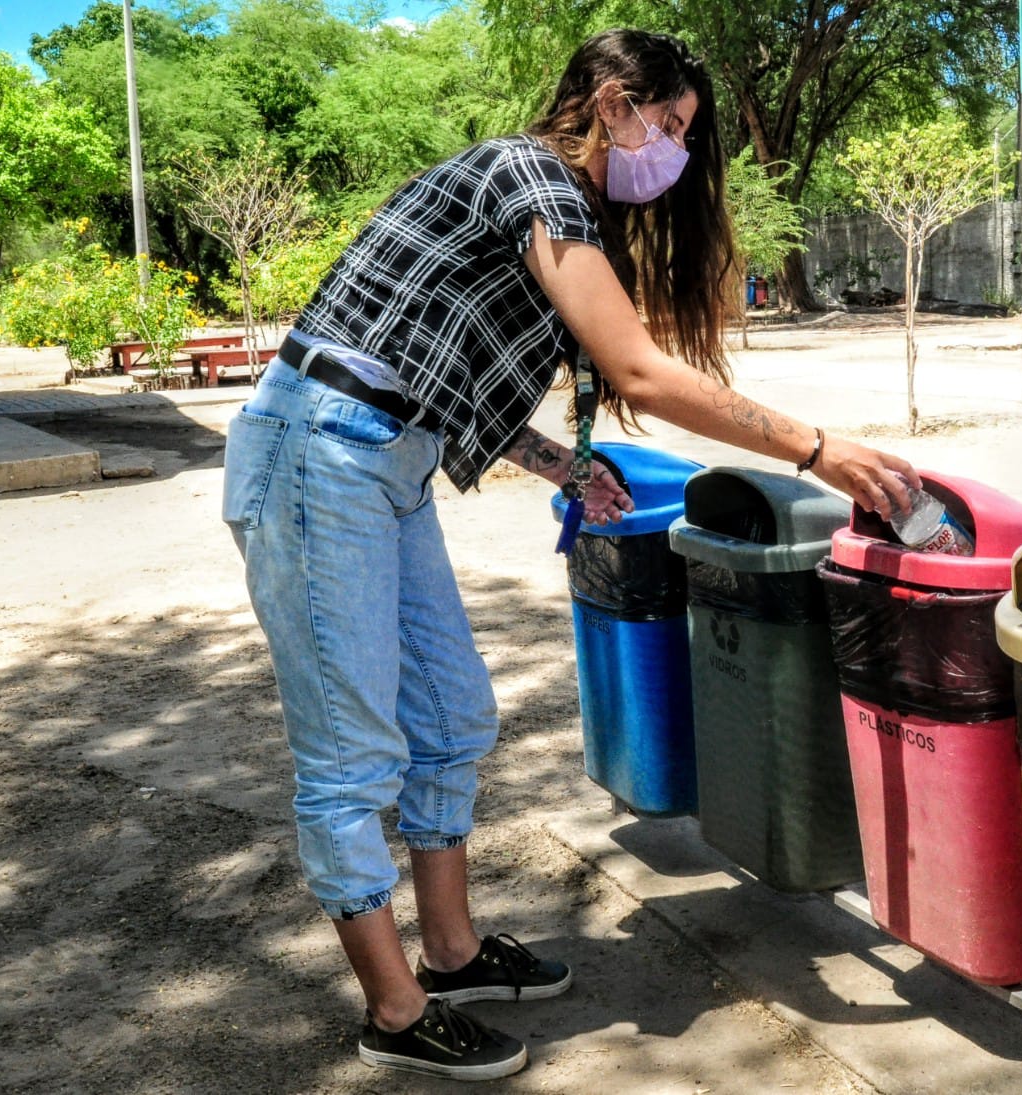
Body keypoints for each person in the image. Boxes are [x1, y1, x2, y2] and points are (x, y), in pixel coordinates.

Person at [221, 27, 917, 1082]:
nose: (673, 153)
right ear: (611, 102)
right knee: (353, 753)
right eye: (670, 125)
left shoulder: (558, 203)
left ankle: (450, 956)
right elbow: (637, 371)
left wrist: (555, 460)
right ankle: (395, 1010)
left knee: (453, 717)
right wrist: (819, 450)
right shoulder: (530, 177)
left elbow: (432, 365)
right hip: (318, 455)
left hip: (383, 460)